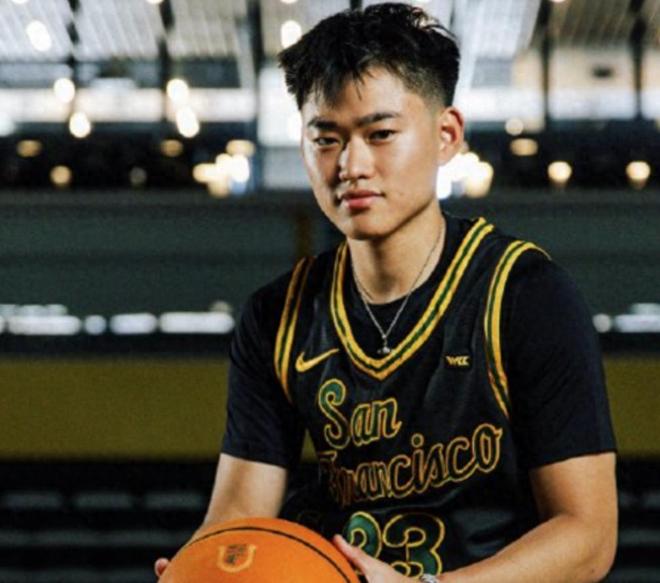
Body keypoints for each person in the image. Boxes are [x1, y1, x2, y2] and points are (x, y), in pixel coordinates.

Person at [155, 3, 617, 581]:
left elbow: (588, 535)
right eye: (326, 139)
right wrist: (203, 567)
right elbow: (240, 515)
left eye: (380, 134)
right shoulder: (278, 315)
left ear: (446, 136)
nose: (351, 165)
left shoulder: (525, 295)